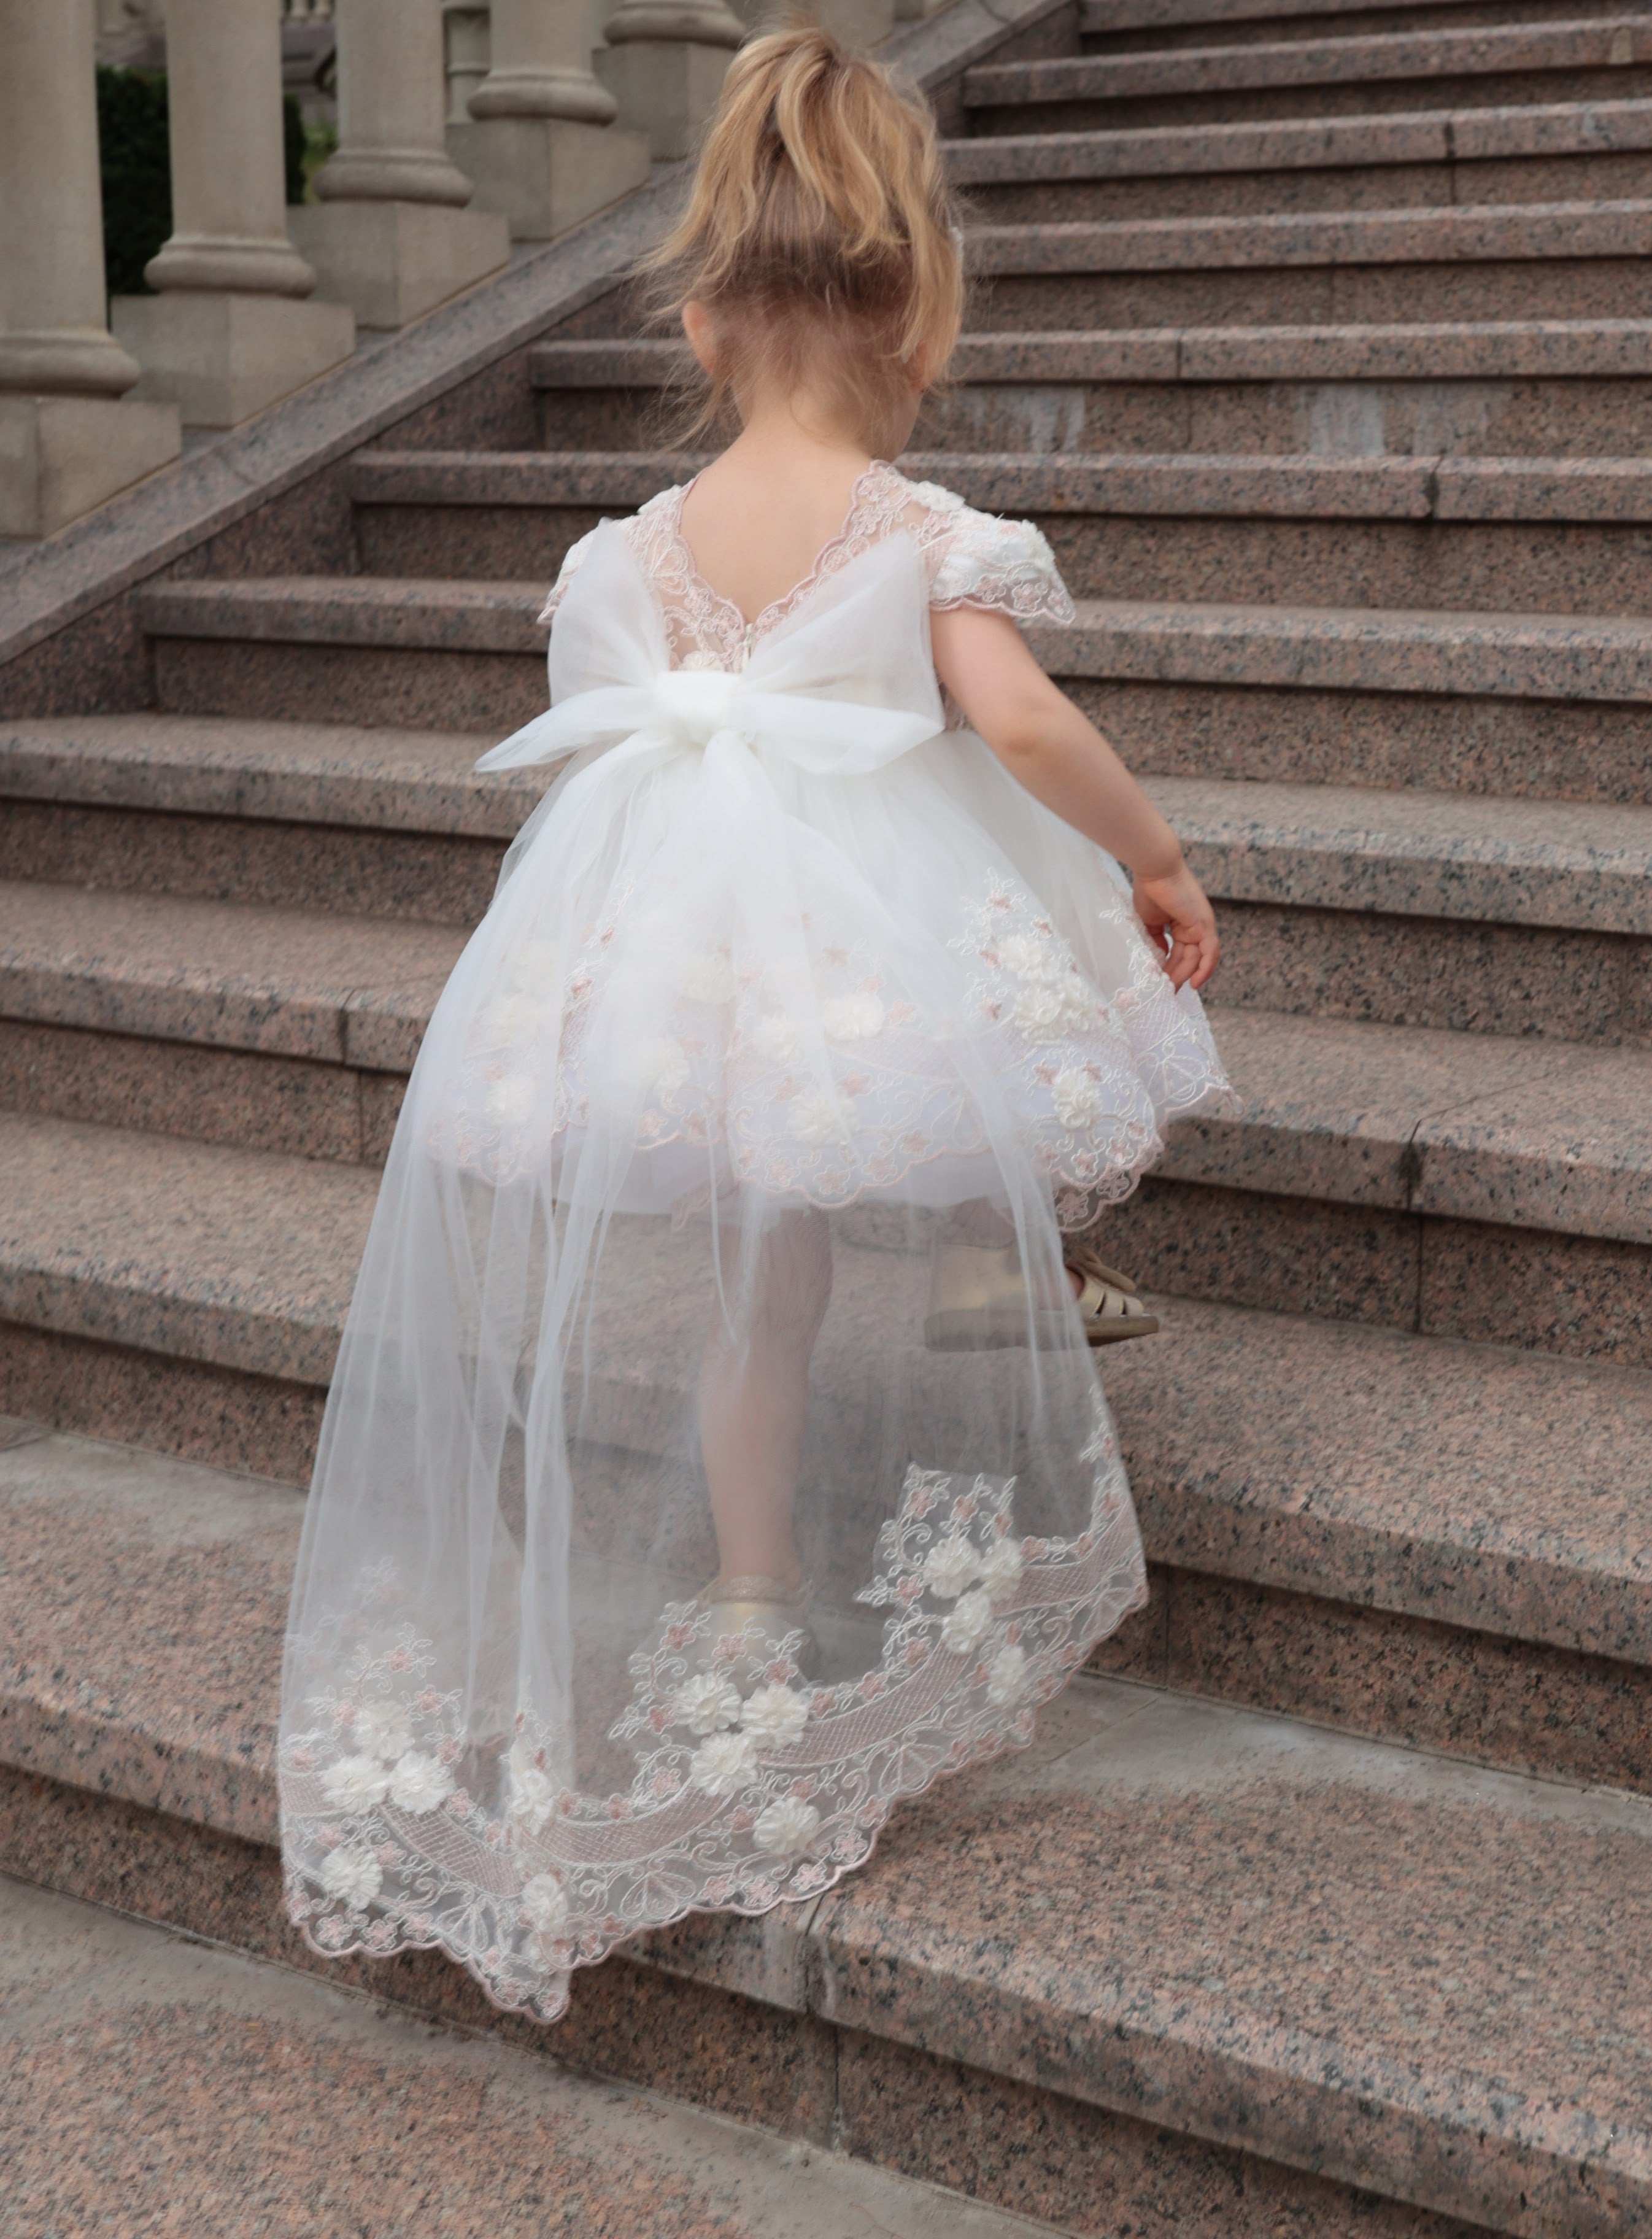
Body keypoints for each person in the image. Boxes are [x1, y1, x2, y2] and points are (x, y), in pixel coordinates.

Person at [277, 26, 1232, 2022]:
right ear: (920, 315)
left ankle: (746, 1590)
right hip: (857, 944)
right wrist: (1153, 857)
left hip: (688, 960)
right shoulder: (912, 534)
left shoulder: (632, 548)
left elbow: (610, 741)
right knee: (964, 1077)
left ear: (702, 329)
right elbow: (1024, 722)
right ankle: (1009, 1270)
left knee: (760, 1288)